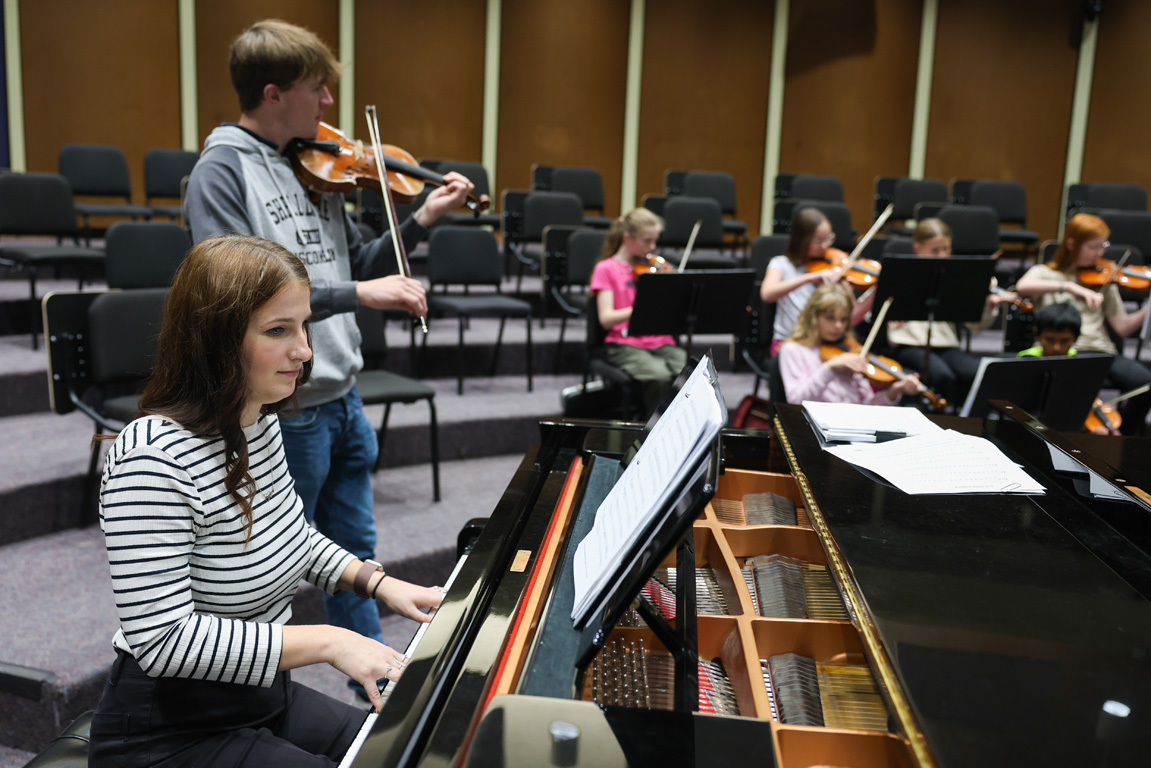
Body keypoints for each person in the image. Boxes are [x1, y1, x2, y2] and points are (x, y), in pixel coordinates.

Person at [184, 18, 473, 693]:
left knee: (353, 552)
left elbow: (356, 268)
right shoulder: (220, 170)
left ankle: (373, 678)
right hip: (288, 404)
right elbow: (235, 289)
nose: (329, 106)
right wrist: (363, 292)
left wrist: (422, 218)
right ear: (273, 92)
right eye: (318, 90)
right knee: (276, 562)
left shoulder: (316, 168)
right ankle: (254, 705)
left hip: (340, 390)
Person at [89, 235, 444, 768]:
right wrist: (328, 640)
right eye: (278, 331)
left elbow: (291, 537)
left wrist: (380, 583)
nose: (303, 350)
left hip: (258, 695)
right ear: (215, 340)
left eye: (303, 326)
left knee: (405, 752)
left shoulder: (258, 421)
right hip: (167, 730)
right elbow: (163, 640)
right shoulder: (152, 459)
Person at [1016, 213, 1151, 435]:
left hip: (1102, 351)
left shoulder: (1105, 278)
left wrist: (1147, 310)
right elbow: (1022, 286)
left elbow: (1123, 327)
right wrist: (1069, 287)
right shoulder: (1045, 273)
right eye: (1094, 247)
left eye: (1103, 246)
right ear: (1072, 244)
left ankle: (1121, 437)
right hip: (1064, 352)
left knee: (1145, 384)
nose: (1101, 253)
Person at [884, 218, 1018, 405]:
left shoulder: (954, 277)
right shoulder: (902, 274)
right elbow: (883, 315)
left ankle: (965, 419)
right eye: (935, 250)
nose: (942, 255)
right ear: (917, 247)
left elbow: (975, 327)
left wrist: (987, 304)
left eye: (946, 249)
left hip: (947, 345)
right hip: (910, 344)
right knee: (942, 375)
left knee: (977, 373)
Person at [589, 209, 688, 414]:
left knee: (691, 375)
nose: (652, 247)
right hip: (624, 343)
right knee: (658, 376)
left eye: (655, 241)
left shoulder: (655, 268)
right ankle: (655, 431)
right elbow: (606, 319)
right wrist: (639, 309)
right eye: (647, 241)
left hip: (660, 340)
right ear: (628, 237)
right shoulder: (606, 269)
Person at [778, 284, 922, 405]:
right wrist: (830, 367)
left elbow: (867, 407)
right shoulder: (793, 350)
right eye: (830, 318)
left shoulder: (850, 350)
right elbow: (796, 401)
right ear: (813, 317)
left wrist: (894, 391)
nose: (838, 326)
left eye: (844, 319)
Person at [760, 207, 872, 352]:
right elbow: (767, 294)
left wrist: (876, 291)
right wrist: (809, 278)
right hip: (790, 343)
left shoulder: (835, 271)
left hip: (826, 346)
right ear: (801, 240)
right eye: (818, 240)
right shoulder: (781, 264)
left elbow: (853, 317)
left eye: (829, 238)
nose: (825, 245)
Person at [1016, 302, 1081, 358]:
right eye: (1050, 340)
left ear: (1075, 338)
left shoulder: (1081, 359)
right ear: (1037, 335)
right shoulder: (1024, 359)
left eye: (1064, 341)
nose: (1057, 348)